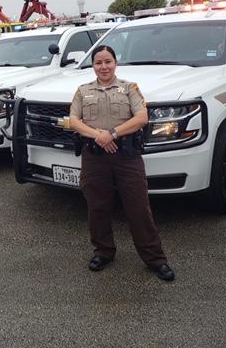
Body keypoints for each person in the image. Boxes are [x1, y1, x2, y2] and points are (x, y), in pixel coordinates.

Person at [69, 45, 175, 282]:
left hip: (126, 156)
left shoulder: (129, 88)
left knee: (138, 207)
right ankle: (103, 251)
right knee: (97, 207)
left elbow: (141, 118)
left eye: (108, 61)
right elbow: (74, 121)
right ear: (93, 65)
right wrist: (99, 135)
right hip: (94, 156)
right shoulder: (82, 91)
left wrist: (113, 133)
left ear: (115, 63)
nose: (103, 66)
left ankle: (155, 259)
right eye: (98, 62)